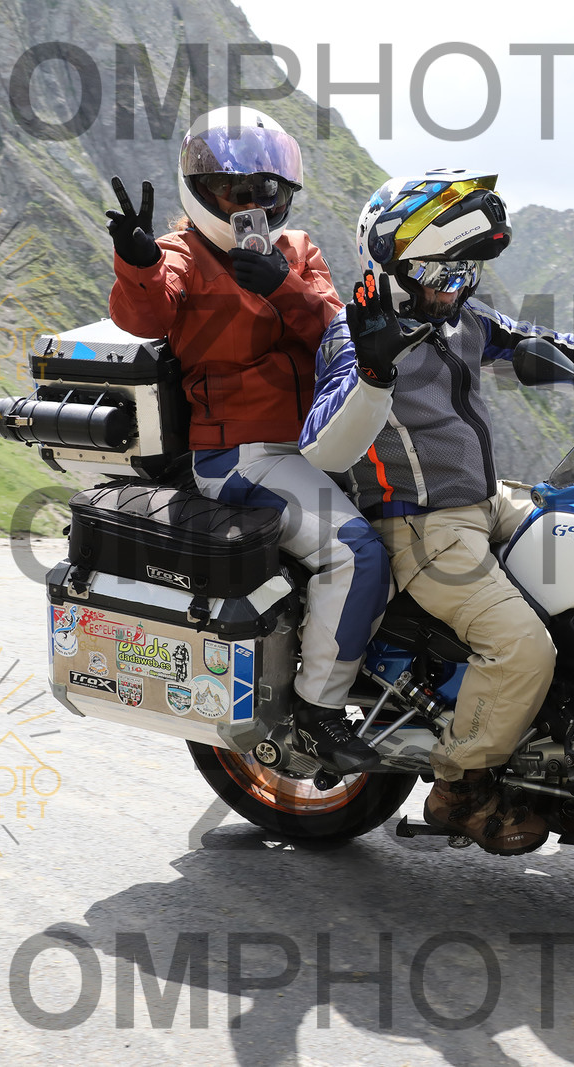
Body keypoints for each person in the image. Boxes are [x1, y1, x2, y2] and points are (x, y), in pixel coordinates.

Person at [299, 171, 574, 853]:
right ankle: (460, 786)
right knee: (523, 646)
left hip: (488, 500)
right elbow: (321, 445)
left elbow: (554, 345)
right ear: (393, 267)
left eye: (464, 271)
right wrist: (375, 375)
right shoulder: (354, 338)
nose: (455, 287)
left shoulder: (460, 318)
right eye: (441, 272)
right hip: (421, 527)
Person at [106, 106, 388, 784]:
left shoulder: (298, 251)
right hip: (242, 456)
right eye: (236, 191)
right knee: (356, 553)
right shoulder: (183, 255)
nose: (253, 206)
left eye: (268, 191)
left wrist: (284, 288)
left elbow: (338, 331)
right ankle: (320, 711)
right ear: (201, 192)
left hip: (321, 440)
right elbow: (146, 312)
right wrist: (138, 262)